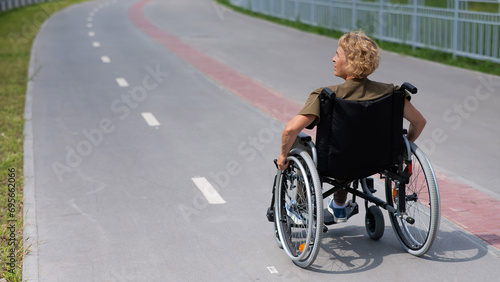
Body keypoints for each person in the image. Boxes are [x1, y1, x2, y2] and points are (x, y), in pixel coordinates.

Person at [276, 30, 427, 223]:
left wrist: (282, 156)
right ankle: (339, 207)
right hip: (380, 160)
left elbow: (290, 130)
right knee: (346, 155)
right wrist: (403, 146)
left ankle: (301, 205)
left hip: (336, 163)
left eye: (337, 55)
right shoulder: (392, 93)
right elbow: (419, 122)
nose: (333, 59)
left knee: (301, 145)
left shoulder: (326, 95)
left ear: (352, 62)